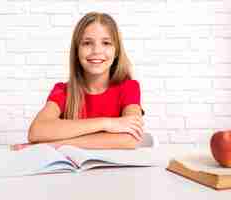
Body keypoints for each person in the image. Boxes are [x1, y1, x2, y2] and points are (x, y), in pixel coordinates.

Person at [12, 12, 144, 150]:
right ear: (77, 51)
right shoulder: (63, 91)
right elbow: (36, 131)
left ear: (116, 51)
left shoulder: (129, 87)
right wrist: (107, 123)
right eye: (87, 43)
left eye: (106, 43)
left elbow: (129, 139)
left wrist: (55, 144)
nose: (96, 50)